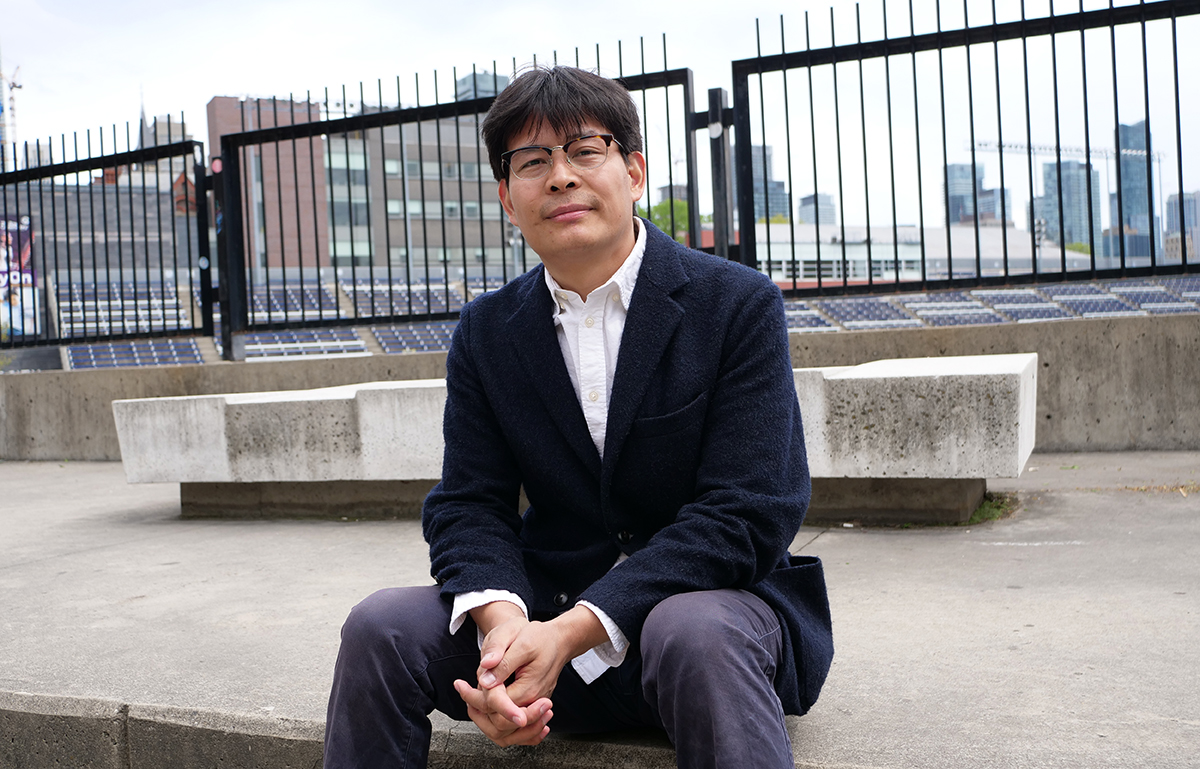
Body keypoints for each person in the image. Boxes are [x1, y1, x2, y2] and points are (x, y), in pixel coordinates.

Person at [323, 65, 833, 769]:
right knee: (380, 624)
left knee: (696, 629)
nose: (560, 177)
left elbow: (749, 512)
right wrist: (506, 632)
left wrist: (570, 630)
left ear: (634, 170)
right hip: (544, 624)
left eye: (584, 151)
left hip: (701, 626)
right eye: (533, 162)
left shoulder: (735, 305)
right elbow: (469, 503)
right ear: (507, 198)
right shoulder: (487, 331)